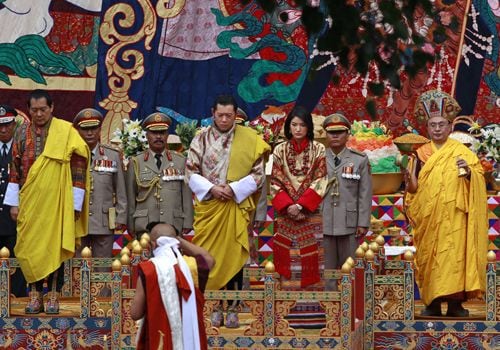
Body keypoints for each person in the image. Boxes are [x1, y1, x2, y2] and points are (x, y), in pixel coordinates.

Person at [185, 95, 270, 326]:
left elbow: (259, 175)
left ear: (236, 115)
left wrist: (233, 189)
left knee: (234, 256)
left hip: (234, 205)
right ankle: (213, 305)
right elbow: (190, 172)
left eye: (229, 116)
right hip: (210, 207)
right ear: (213, 112)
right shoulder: (200, 139)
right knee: (209, 256)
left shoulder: (249, 139)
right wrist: (212, 188)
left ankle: (232, 307)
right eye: (220, 115)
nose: (224, 120)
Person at [4, 89, 90, 314]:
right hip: (29, 202)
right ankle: (34, 296)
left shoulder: (66, 131)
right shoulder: (21, 132)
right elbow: (14, 168)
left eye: (43, 109)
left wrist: (75, 203)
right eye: (34, 110)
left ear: (52, 108)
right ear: (29, 110)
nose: (39, 114)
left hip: (58, 202)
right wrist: (13, 203)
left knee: (53, 248)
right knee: (28, 248)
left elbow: (79, 165)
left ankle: (52, 296)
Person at [406, 89, 488, 317]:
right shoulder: (420, 153)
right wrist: (408, 179)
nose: (438, 129)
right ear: (427, 127)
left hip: (455, 217)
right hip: (429, 218)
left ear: (451, 126)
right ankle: (432, 303)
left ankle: (455, 304)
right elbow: (412, 190)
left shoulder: (463, 152)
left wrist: (469, 172)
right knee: (430, 257)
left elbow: (479, 180)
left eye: (442, 124)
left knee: (455, 257)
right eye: (433, 125)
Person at [131, 222, 215, 350]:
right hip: (191, 342)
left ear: (152, 245)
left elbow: (135, 313)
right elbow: (208, 259)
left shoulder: (148, 269)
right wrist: (179, 240)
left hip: (159, 339)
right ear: (176, 242)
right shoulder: (191, 267)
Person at [126, 112, 193, 237]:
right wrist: (130, 224)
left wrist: (188, 221)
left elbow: (186, 193)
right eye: (154, 133)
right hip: (144, 224)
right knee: (144, 256)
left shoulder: (180, 161)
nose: (158, 136)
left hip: (173, 223)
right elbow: (131, 196)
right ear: (147, 135)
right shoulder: (136, 162)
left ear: (167, 135)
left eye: (162, 132)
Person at [73, 108, 127, 259]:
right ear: (78, 131)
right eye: (85, 129)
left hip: (104, 220)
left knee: (102, 268)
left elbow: (121, 189)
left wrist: (121, 217)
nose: (89, 133)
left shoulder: (113, 155)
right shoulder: (70, 155)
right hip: (77, 220)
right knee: (76, 269)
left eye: (93, 128)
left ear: (99, 129)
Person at [321, 114, 372, 273]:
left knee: (350, 269)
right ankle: (328, 298)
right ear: (326, 134)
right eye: (331, 132)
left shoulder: (359, 160)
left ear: (348, 134)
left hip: (350, 222)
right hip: (324, 220)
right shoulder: (318, 158)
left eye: (340, 131)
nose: (335, 136)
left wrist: (362, 222)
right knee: (326, 271)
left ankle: (350, 298)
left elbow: (365, 193)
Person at [0, 105, 26, 297]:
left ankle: (18, 301)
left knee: (17, 264)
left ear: (14, 125)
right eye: (0, 126)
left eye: (7, 125)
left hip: (16, 219)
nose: (3, 129)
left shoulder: (23, 149)